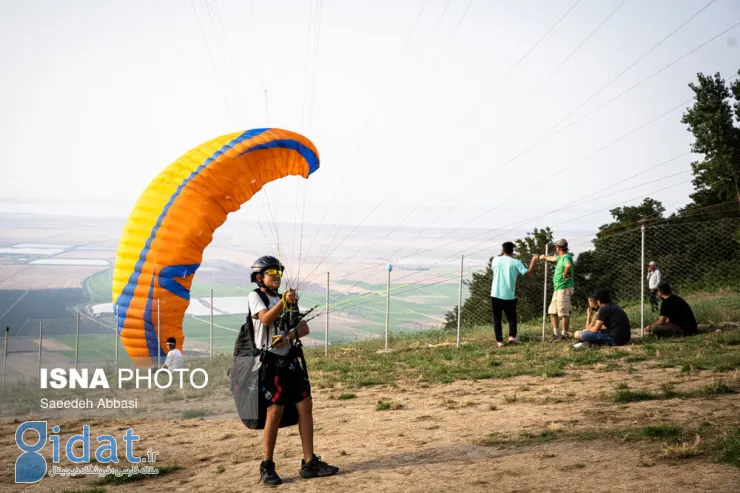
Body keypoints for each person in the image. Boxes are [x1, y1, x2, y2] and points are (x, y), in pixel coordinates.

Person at [248, 255, 338, 486]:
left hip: (290, 361)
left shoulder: (285, 299)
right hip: (269, 363)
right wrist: (283, 303)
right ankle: (267, 464)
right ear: (260, 277)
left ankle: (309, 463)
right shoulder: (255, 297)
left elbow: (304, 328)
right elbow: (266, 319)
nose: (278, 278)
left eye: (280, 274)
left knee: (305, 406)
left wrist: (287, 336)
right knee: (274, 412)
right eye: (273, 274)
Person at [490, 242, 538, 348]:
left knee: (497, 318)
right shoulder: (516, 262)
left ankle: (499, 341)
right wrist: (534, 259)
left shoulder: (495, 260)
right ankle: (512, 336)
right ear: (513, 250)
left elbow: (494, 269)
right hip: (509, 295)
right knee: (511, 317)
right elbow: (528, 272)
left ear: (502, 250)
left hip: (495, 293)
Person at [539, 239, 575, 341]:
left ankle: (564, 335)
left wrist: (564, 274)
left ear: (558, 248)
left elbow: (568, 265)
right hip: (558, 289)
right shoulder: (561, 257)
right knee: (552, 311)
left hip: (564, 288)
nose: (555, 248)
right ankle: (556, 334)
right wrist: (544, 257)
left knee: (563, 312)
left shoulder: (566, 257)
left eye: (556, 247)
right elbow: (553, 258)